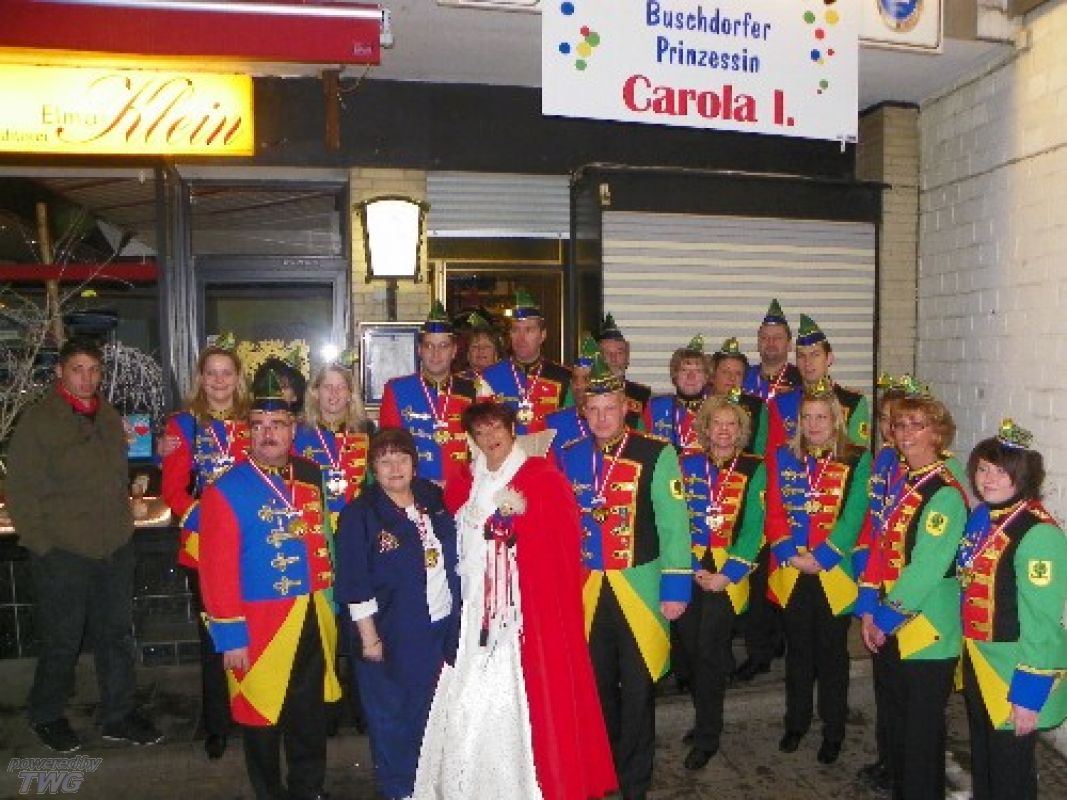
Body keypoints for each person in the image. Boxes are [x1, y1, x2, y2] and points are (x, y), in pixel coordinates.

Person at [415, 402, 617, 800]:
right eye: (480, 432)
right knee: (468, 694)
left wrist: (518, 541)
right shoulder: (466, 480)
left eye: (496, 428)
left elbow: (561, 545)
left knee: (519, 696)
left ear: (512, 429)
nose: (489, 438)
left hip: (521, 611)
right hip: (473, 606)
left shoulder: (542, 478)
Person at [7, 336, 163, 752]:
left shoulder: (108, 416)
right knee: (62, 640)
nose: (86, 378)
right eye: (77, 369)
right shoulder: (40, 421)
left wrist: (125, 525)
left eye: (94, 370)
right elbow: (20, 489)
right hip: (62, 552)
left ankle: (118, 715)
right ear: (60, 372)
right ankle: (46, 715)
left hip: (113, 548)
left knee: (116, 636)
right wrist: (42, 544)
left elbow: (112, 478)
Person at [198, 371, 340, 800]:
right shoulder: (225, 490)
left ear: (292, 430)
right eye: (258, 426)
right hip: (260, 619)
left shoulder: (311, 475)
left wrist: (332, 602)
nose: (268, 434)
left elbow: (325, 540)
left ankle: (308, 787)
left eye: (277, 425)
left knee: (308, 712)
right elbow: (215, 570)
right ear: (248, 432)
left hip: (312, 609)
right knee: (260, 713)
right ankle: (269, 792)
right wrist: (230, 636)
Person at [558, 355, 691, 800]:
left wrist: (676, 587)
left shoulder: (656, 453)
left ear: (625, 408)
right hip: (588, 589)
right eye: (593, 410)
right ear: (583, 411)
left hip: (641, 588)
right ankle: (603, 772)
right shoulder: (570, 455)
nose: (601, 418)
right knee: (596, 689)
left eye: (609, 409)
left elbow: (674, 526)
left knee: (638, 688)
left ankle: (635, 783)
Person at [334, 429, 461, 800]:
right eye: (384, 461)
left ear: (414, 464)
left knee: (434, 711)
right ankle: (400, 789)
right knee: (393, 717)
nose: (394, 468)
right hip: (389, 632)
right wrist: (369, 637)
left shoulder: (431, 498)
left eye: (401, 459)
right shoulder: (361, 514)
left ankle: (432, 784)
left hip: (440, 626)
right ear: (373, 467)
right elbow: (354, 581)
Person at [856, 392, 968, 800]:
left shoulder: (945, 493)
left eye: (917, 425)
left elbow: (925, 569)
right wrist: (868, 607)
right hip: (891, 621)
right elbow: (880, 545)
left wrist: (884, 619)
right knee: (899, 727)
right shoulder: (905, 480)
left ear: (937, 433)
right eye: (900, 424)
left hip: (926, 630)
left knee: (921, 735)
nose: (905, 433)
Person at [956, 420, 1067, 800]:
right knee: (985, 762)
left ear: (1023, 477)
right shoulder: (982, 516)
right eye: (983, 468)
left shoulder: (1039, 534)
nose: (988, 479)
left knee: (1011, 775)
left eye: (1001, 471)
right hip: (978, 658)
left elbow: (1042, 625)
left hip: (1011, 671)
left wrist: (1028, 697)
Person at [765, 379, 870, 765]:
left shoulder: (857, 459)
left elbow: (855, 514)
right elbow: (773, 508)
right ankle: (795, 722)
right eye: (806, 417)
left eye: (821, 417)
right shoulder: (782, 456)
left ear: (836, 420)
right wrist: (790, 553)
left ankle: (834, 729)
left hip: (833, 571)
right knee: (797, 653)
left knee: (832, 656)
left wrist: (823, 556)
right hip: (792, 568)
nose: (813, 425)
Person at [161, 342, 251, 759]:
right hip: (204, 548)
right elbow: (173, 491)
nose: (218, 381)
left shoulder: (255, 421)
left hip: (252, 546)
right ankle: (217, 722)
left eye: (226, 373)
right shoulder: (183, 425)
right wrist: (213, 524)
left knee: (254, 631)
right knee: (216, 637)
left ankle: (252, 710)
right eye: (211, 373)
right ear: (200, 378)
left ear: (238, 378)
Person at [676, 394, 766, 770]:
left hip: (728, 573)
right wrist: (693, 566)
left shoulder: (754, 467)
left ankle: (708, 735)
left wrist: (727, 575)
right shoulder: (686, 464)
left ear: (741, 430)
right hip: (690, 567)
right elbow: (675, 519)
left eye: (732, 424)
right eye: (718, 423)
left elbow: (755, 527)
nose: (724, 430)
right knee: (690, 651)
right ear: (706, 428)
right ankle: (704, 717)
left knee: (710, 654)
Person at [851, 372, 907, 791]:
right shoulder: (884, 459)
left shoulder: (931, 470)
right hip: (879, 582)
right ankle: (888, 761)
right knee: (885, 687)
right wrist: (867, 593)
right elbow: (872, 524)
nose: (891, 428)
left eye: (900, 420)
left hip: (907, 599)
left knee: (909, 695)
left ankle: (907, 770)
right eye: (886, 419)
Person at [380, 301, 478, 485]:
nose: (436, 354)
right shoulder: (396, 390)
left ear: (454, 351)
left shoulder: (472, 390)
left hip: (463, 491)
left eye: (443, 346)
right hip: (413, 491)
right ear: (419, 350)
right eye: (429, 346)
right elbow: (388, 450)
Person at [764, 314, 869, 453]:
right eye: (802, 356)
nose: (808, 362)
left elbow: (857, 455)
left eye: (815, 354)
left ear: (829, 358)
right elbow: (774, 453)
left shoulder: (852, 402)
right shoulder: (781, 402)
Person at [479, 288, 573, 434]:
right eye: (516, 330)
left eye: (529, 330)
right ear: (510, 334)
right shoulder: (489, 376)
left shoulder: (563, 378)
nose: (521, 338)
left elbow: (570, 428)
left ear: (542, 335)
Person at [294, 360, 373, 526]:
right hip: (311, 521)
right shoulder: (296, 432)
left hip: (359, 522)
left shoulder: (367, 432)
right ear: (315, 392)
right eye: (327, 387)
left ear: (350, 394)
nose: (334, 393)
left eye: (341, 387)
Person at [643, 333, 710, 455]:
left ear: (706, 377)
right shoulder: (655, 407)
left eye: (698, 371)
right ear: (675, 375)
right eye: (684, 370)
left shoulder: (717, 410)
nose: (691, 376)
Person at [707, 337, 766, 454]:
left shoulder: (757, 407)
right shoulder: (701, 403)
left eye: (738, 373)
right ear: (713, 375)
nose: (732, 378)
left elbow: (759, 450)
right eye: (725, 372)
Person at [544, 332, 599, 457]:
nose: (578, 386)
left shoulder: (616, 421)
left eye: (586, 379)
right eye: (575, 379)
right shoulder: (554, 423)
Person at [597, 312, 651, 428]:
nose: (613, 359)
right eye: (607, 353)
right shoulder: (587, 393)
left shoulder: (642, 396)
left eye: (619, 353)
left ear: (627, 357)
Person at [741, 298, 803, 400]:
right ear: (758, 344)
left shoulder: (802, 380)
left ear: (789, 345)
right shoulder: (742, 377)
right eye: (765, 337)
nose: (770, 342)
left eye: (777, 338)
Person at [456, 311, 502, 379]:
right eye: (475, 346)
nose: (481, 349)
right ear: (468, 355)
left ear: (496, 355)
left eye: (487, 346)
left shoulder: (507, 380)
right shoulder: (456, 380)